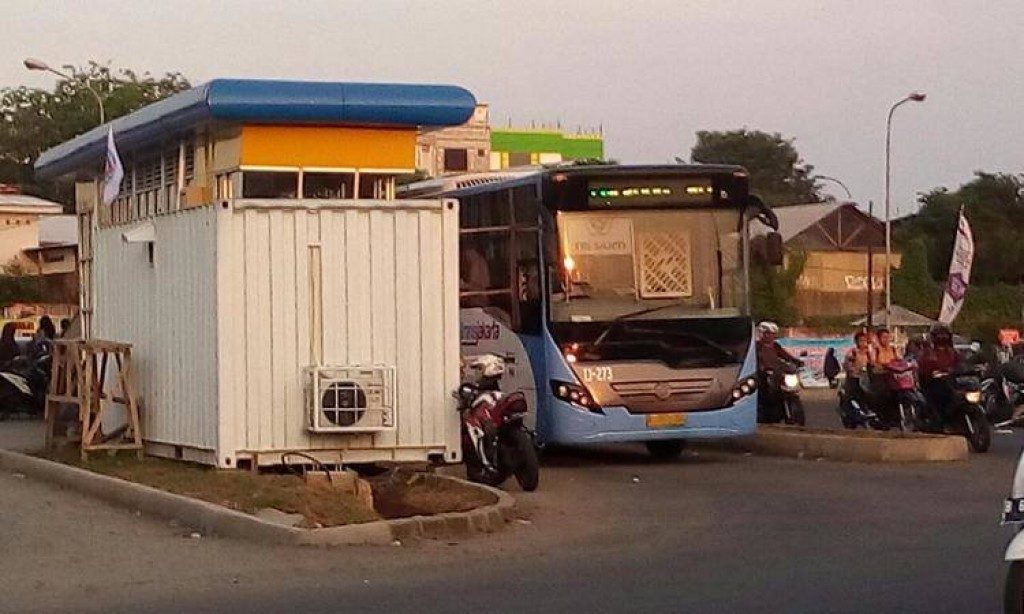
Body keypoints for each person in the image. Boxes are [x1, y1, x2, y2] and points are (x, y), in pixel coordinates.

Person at [917, 324, 960, 416]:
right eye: (940, 335)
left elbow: (961, 364)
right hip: (932, 384)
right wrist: (933, 372)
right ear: (933, 337)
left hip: (951, 382)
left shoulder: (953, 352)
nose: (943, 337)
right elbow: (923, 368)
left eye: (945, 335)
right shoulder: (927, 352)